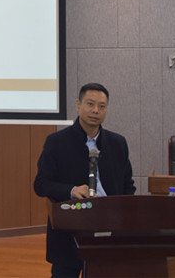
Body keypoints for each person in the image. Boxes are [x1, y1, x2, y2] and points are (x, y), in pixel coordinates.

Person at [33, 83, 136, 278]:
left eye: (102, 106)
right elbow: (41, 184)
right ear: (78, 105)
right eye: (90, 104)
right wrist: (71, 190)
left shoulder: (118, 143)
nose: (96, 110)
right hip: (70, 228)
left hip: (109, 227)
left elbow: (127, 186)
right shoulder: (57, 142)